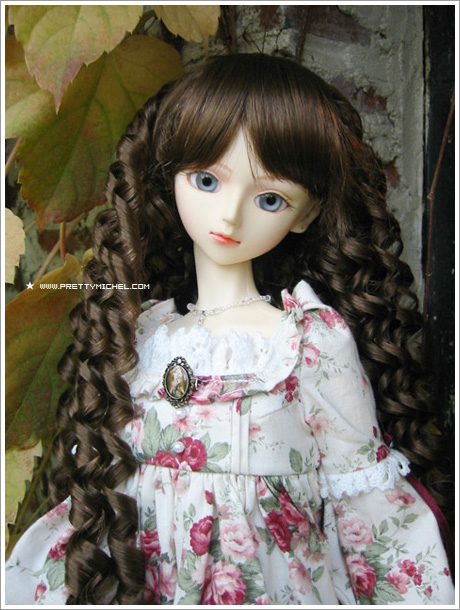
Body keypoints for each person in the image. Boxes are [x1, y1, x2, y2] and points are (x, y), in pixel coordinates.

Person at [5, 53, 454, 605]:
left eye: (270, 199)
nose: (230, 216)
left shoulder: (306, 343)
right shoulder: (140, 335)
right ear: (170, 174)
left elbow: (366, 511)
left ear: (306, 214)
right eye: (206, 180)